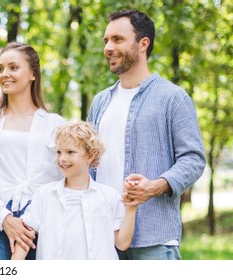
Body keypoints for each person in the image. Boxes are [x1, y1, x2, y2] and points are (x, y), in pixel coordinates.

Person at [87, 9, 206, 260]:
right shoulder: (100, 102)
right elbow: (88, 165)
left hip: (154, 238)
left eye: (118, 39)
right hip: (103, 237)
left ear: (143, 44)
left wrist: (156, 186)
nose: (108, 47)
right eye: (106, 40)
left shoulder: (173, 98)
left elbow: (193, 159)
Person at [0, 42, 66, 260]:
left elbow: (66, 178)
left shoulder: (55, 124)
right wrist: (5, 219)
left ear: (32, 74)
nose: (5, 74)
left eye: (13, 67)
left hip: (45, 227)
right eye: (0, 69)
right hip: (3, 226)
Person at [11, 121, 139, 260]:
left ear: (90, 155)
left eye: (70, 152)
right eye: (59, 152)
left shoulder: (109, 196)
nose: (62, 158)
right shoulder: (44, 195)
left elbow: (122, 243)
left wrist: (131, 208)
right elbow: (25, 239)